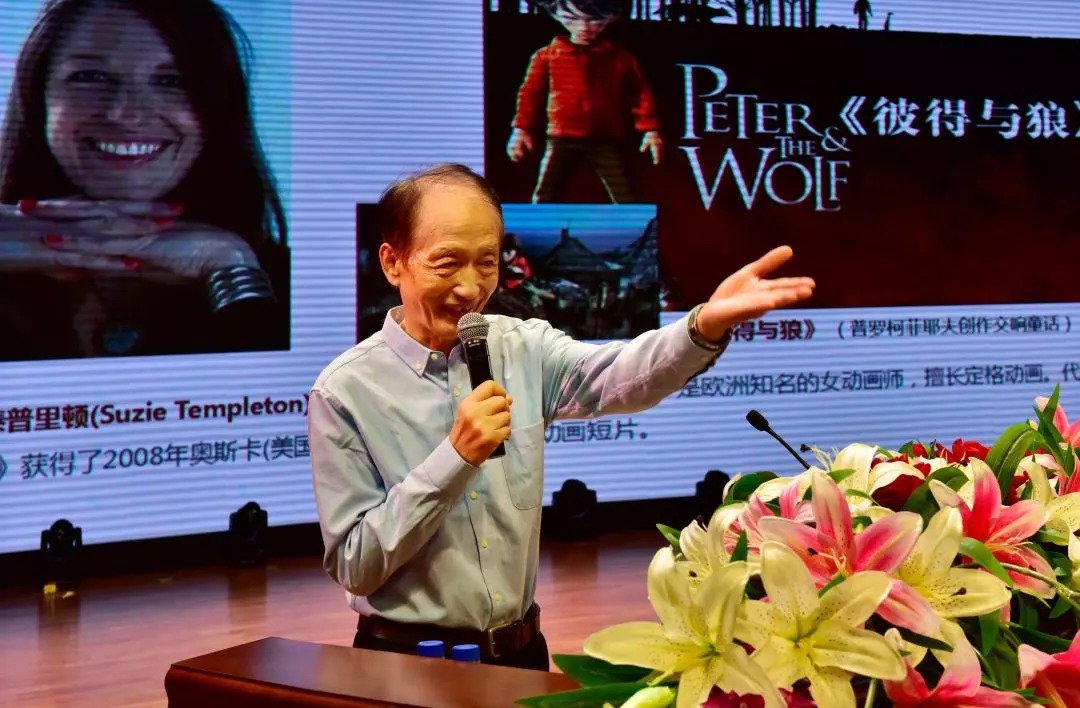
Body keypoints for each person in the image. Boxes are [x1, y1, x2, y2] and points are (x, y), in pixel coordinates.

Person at [308, 163, 815, 671]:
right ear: (393, 263)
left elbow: (620, 374)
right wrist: (455, 457)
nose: (469, 287)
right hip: (406, 665)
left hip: (520, 655)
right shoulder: (345, 391)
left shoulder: (523, 347)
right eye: (447, 264)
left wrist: (702, 325)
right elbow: (355, 564)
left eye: (486, 262)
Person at [0, 0, 288, 360]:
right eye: (91, 76)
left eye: (171, 81)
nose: (126, 114)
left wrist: (231, 267)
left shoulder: (298, 283)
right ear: (38, 98)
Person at [506, 0, 661, 203]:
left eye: (595, 20)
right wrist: (521, 129)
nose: (584, 27)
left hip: (605, 139)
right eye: (572, 19)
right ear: (557, 15)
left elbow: (639, 93)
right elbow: (530, 93)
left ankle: (634, 225)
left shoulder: (620, 59)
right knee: (546, 194)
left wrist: (650, 129)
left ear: (609, 18)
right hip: (561, 138)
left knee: (625, 195)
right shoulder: (547, 56)